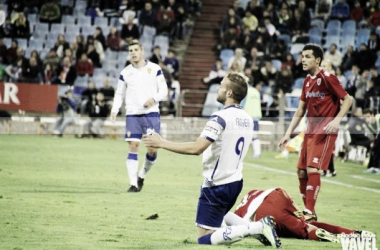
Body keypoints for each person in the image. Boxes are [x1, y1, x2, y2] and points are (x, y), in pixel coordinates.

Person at [143, 72, 281, 248]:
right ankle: (257, 228)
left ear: (229, 93)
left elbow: (196, 148)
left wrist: (161, 143)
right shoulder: (246, 118)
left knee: (205, 238)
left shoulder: (220, 117)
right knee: (222, 214)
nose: (219, 88)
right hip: (235, 180)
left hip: (217, 184)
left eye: (222, 85)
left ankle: (257, 228)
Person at [278, 44, 352, 222]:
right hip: (310, 130)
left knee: (312, 169)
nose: (303, 59)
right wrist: (288, 133)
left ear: (317, 60)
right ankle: (308, 211)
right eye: (302, 56)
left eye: (308, 56)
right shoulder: (307, 80)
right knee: (301, 172)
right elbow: (300, 110)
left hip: (325, 130)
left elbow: (348, 99)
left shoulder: (327, 77)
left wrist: (336, 120)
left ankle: (309, 212)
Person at [110, 39, 168, 193]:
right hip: (133, 114)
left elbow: (164, 90)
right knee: (133, 145)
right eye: (131, 51)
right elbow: (119, 93)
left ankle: (141, 175)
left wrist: (153, 99)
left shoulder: (154, 69)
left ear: (142, 51)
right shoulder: (125, 72)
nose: (133, 53)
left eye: (136, 50)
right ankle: (133, 183)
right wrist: (115, 109)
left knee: (153, 149)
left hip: (151, 114)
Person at [234, 187, 375, 242]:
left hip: (263, 216)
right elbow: (281, 193)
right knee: (307, 224)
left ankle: (328, 235)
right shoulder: (251, 193)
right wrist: (299, 214)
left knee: (306, 231)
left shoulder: (234, 214)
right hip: (275, 195)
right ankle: (352, 232)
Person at [242, 82, 262, 158]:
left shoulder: (245, 91)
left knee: (245, 135)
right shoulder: (256, 91)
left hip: (248, 115)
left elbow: (242, 103)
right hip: (256, 115)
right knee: (254, 134)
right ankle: (257, 152)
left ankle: (256, 153)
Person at [363, 109, 380, 174]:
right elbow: (373, 137)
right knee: (374, 146)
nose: (367, 119)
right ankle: (372, 166)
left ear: (372, 115)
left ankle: (375, 167)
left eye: (368, 116)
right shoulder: (369, 125)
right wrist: (373, 142)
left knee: (377, 144)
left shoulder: (378, 117)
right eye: (365, 118)